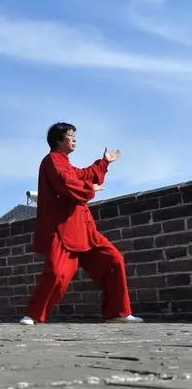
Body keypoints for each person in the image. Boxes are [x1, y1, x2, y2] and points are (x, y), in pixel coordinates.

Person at [20, 122, 143, 325]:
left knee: (113, 261)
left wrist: (104, 162)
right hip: (64, 227)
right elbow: (65, 183)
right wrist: (90, 188)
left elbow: (83, 174)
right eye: (70, 135)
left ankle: (117, 313)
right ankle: (33, 315)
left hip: (84, 227)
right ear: (58, 139)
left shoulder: (66, 163)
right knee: (57, 274)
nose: (74, 138)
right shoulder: (52, 161)